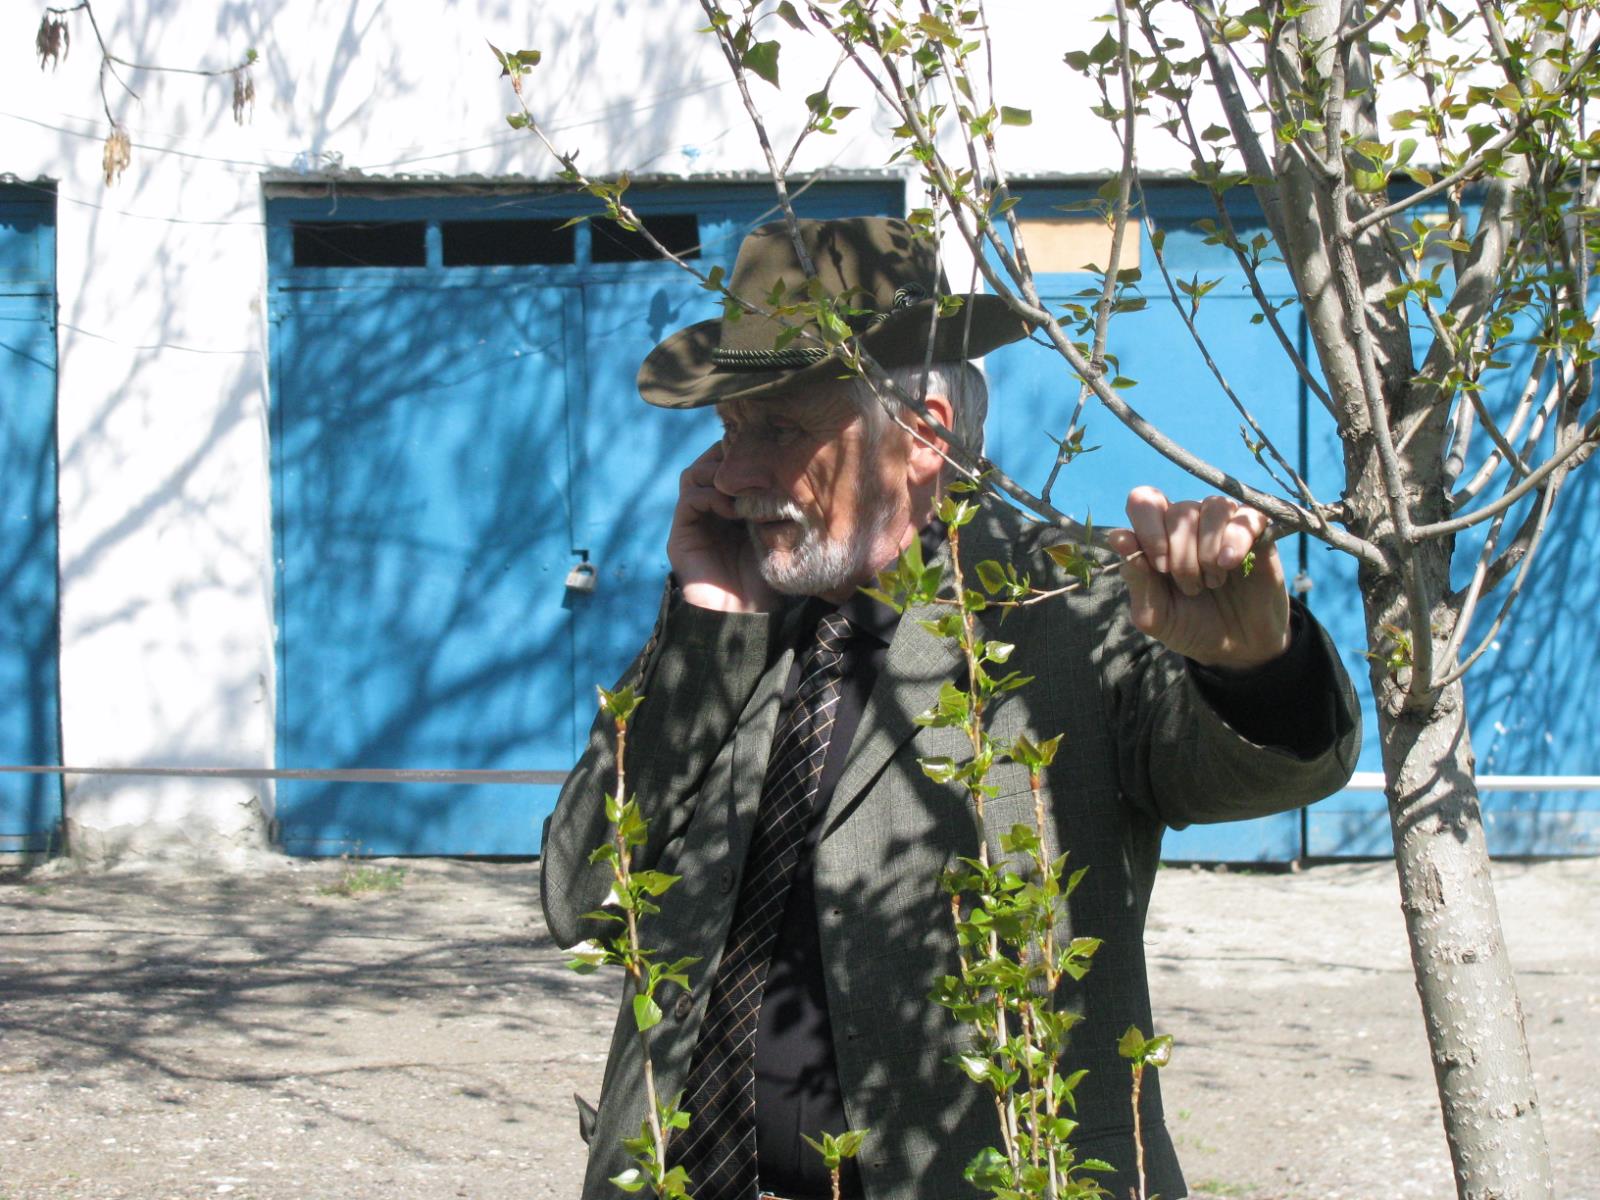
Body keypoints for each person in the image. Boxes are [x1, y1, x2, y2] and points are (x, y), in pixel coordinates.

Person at [540, 217, 1361, 1200]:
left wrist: (1257, 666)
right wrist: (705, 629)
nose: (732, 475)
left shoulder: (1066, 603)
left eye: (780, 431)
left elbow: (1258, 769)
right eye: (729, 432)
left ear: (923, 434)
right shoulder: (737, 611)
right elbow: (577, 898)